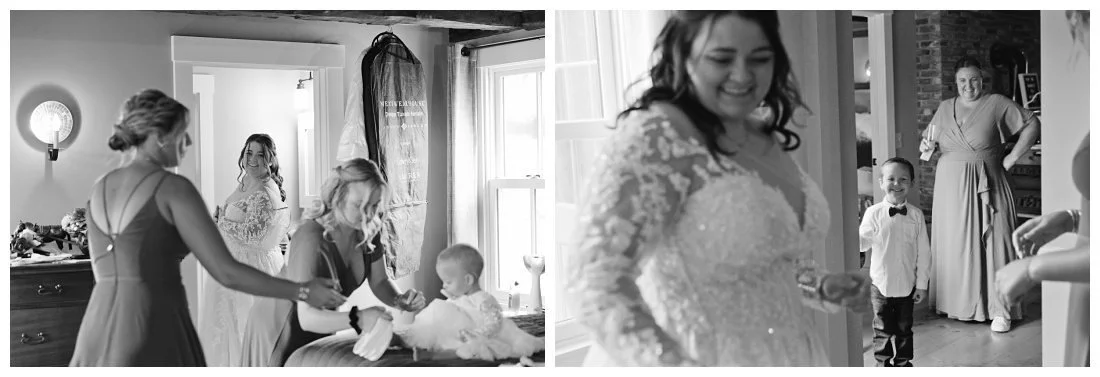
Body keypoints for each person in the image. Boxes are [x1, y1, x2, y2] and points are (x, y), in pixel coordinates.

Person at [569, 11, 871, 367]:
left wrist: (820, 285)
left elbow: (766, 261)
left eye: (760, 58)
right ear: (684, 55)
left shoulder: (762, 135)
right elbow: (595, 284)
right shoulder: (656, 137)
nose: (743, 75)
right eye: (721, 58)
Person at [70, 89, 345, 367]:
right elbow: (227, 272)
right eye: (182, 132)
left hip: (97, 325)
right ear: (159, 136)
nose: (188, 141)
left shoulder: (101, 187)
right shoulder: (174, 188)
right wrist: (302, 291)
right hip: (152, 322)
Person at [238, 158, 427, 367]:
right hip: (280, 325)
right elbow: (307, 317)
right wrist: (360, 318)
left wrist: (400, 300)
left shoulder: (367, 227)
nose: (369, 214)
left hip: (322, 321)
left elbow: (380, 281)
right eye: (359, 205)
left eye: (374, 205)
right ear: (338, 198)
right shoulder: (311, 238)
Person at [920, 56, 1040, 333]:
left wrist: (1011, 159)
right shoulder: (944, 107)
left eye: (974, 79)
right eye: (962, 80)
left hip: (989, 180)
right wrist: (926, 146)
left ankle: (1002, 310)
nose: (968, 85)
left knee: (997, 242)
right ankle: (958, 303)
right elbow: (928, 147)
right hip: (950, 183)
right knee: (956, 243)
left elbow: (1032, 124)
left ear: (982, 80)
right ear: (956, 82)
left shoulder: (996, 103)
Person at [199, 134, 291, 366]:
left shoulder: (264, 191)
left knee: (243, 326)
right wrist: (221, 218)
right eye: (249, 152)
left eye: (261, 154)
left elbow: (254, 234)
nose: (253, 159)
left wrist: (221, 223)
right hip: (234, 261)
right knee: (225, 329)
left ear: (270, 159)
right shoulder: (246, 182)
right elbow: (238, 220)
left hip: (251, 267)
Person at [396, 244, 544, 361]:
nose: (443, 286)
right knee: (436, 322)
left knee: (468, 349)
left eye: (448, 282)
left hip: (486, 335)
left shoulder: (484, 299)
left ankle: (431, 356)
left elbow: (494, 323)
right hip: (464, 331)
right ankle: (407, 340)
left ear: (468, 280)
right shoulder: (461, 297)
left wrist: (476, 334)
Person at [858, 158, 930, 367]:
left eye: (903, 179)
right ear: (881, 182)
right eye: (891, 179)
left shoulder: (916, 215)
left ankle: (903, 363)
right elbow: (862, 244)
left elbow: (924, 253)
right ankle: (882, 364)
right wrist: (856, 232)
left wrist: (922, 285)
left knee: (904, 329)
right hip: (880, 285)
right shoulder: (873, 213)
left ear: (911, 184)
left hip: (907, 285)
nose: (896, 184)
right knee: (882, 329)